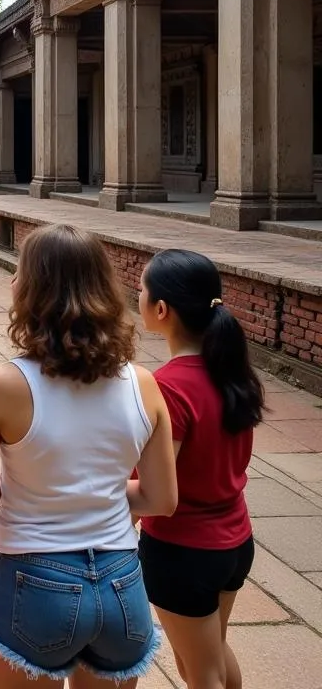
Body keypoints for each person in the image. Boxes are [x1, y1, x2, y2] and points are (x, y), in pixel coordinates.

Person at [0, 224, 178, 688]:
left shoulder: (0, 386)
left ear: (33, 292)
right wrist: (100, 493)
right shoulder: (144, 385)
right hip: (121, 585)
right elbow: (161, 500)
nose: (12, 282)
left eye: (19, 273)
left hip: (34, 581)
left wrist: (26, 485)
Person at [137, 250, 265, 689]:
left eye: (141, 289)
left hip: (182, 550)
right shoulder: (232, 370)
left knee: (199, 672)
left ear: (161, 309)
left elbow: (156, 482)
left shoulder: (169, 386)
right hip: (234, 541)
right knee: (213, 653)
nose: (138, 295)